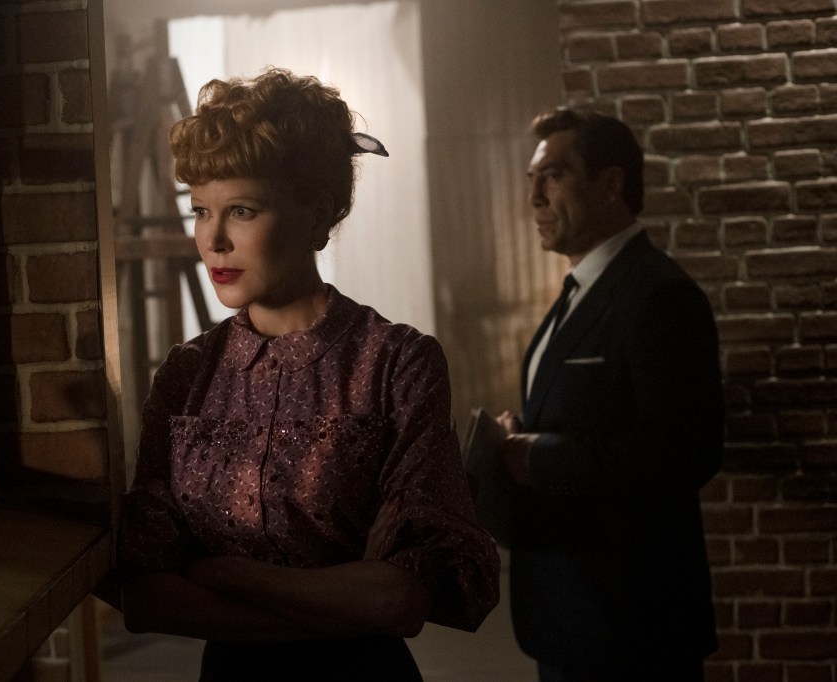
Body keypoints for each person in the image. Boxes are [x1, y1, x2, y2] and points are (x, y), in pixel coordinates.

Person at [118, 67, 501, 681]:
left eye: (242, 210)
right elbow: (146, 598)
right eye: (201, 211)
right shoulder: (187, 376)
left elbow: (401, 599)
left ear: (317, 216)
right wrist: (343, 597)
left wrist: (227, 573)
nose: (213, 240)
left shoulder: (395, 363)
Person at [496, 107, 722, 682]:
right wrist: (524, 433)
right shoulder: (578, 291)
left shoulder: (659, 295)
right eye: (532, 180)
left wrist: (538, 456)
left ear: (611, 185)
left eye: (554, 176)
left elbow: (684, 451)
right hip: (571, 615)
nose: (534, 199)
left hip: (632, 624)